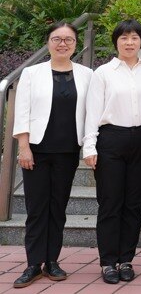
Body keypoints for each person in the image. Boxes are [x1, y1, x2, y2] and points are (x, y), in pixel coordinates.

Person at [12, 22, 93, 288]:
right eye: (56, 39)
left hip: (68, 151)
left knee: (58, 208)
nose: (62, 44)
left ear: (75, 44)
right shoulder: (32, 73)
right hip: (36, 150)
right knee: (36, 209)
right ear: (48, 42)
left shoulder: (86, 74)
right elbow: (21, 111)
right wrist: (23, 147)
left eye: (68, 40)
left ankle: (52, 261)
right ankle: (33, 263)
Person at [82, 20, 141, 284]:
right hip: (111, 140)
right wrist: (89, 146)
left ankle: (126, 259)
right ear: (116, 42)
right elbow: (92, 110)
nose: (129, 42)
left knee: (134, 205)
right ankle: (108, 261)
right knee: (110, 203)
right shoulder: (103, 72)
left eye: (134, 37)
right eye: (124, 38)